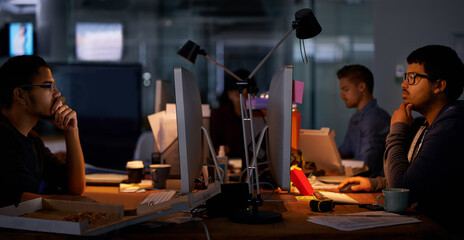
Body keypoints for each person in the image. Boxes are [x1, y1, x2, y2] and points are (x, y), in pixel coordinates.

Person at [338, 45, 464, 230]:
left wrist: (397, 129)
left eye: (412, 78)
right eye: (405, 77)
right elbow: (414, 177)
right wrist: (375, 183)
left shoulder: (450, 128)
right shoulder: (426, 125)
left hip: (440, 230)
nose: (404, 84)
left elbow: (403, 190)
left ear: (439, 85)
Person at [0, 55, 85, 208]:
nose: (57, 94)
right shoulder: (3, 138)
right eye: (49, 86)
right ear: (20, 95)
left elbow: (75, 186)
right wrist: (78, 205)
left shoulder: (32, 140)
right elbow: (13, 199)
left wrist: (71, 131)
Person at [336, 64, 390, 177]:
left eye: (346, 89)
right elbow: (344, 152)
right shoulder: (355, 118)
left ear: (361, 87)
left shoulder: (375, 119)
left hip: (373, 187)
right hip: (359, 180)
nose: (342, 95)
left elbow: (364, 166)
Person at [210, 69, 259, 165]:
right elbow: (215, 149)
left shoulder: (258, 116)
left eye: (245, 95)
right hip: (226, 167)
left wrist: (230, 148)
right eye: (237, 93)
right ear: (229, 94)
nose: (241, 98)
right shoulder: (219, 115)